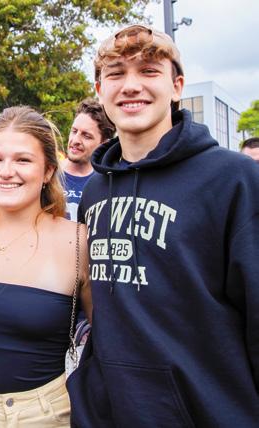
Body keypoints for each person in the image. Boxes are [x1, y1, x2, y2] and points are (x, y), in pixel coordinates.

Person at [67, 24, 259, 427]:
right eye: (116, 74)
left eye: (149, 71)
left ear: (176, 86)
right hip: (109, 413)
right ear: (100, 90)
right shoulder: (96, 191)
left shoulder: (236, 180)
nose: (131, 85)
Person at [0, 106, 91, 427]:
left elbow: (105, 339)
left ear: (48, 171)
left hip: (46, 415)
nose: (6, 171)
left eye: (23, 160)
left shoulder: (79, 242)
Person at [62, 99, 115, 221]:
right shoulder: (47, 176)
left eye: (86, 136)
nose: (75, 140)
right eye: (74, 131)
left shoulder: (107, 185)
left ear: (103, 144)